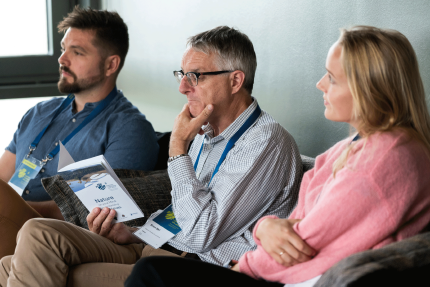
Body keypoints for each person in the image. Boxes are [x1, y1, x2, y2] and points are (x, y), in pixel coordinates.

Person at [123, 26, 430, 287]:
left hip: (271, 275)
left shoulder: (386, 158)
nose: (319, 84)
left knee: (149, 274)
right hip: (218, 255)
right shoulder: (349, 148)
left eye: (332, 78)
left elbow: (304, 243)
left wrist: (244, 267)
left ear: (369, 87)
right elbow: (299, 221)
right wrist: (265, 228)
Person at [0, 26, 302, 286]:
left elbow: (201, 234)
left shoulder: (265, 143)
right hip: (158, 243)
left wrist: (177, 149)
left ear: (236, 81)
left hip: (194, 267)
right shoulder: (207, 132)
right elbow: (181, 212)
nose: (183, 87)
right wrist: (134, 233)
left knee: (28, 269)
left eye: (195, 76)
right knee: (35, 234)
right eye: (182, 75)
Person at [0, 7, 159, 259]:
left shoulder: (130, 129)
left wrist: (11, 208)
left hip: (57, 235)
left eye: (77, 52)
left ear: (110, 65)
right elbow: (3, 176)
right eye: (64, 48)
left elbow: (104, 212)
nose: (62, 59)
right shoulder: (38, 112)